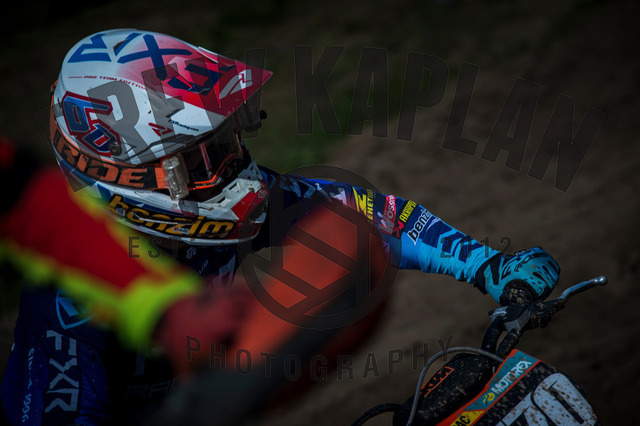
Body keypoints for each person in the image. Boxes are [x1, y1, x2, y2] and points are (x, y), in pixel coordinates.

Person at [0, 29, 560, 425]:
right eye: (201, 160)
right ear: (124, 178)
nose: (234, 169)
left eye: (228, 140)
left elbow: (364, 216)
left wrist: (487, 263)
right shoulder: (68, 308)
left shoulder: (219, 200)